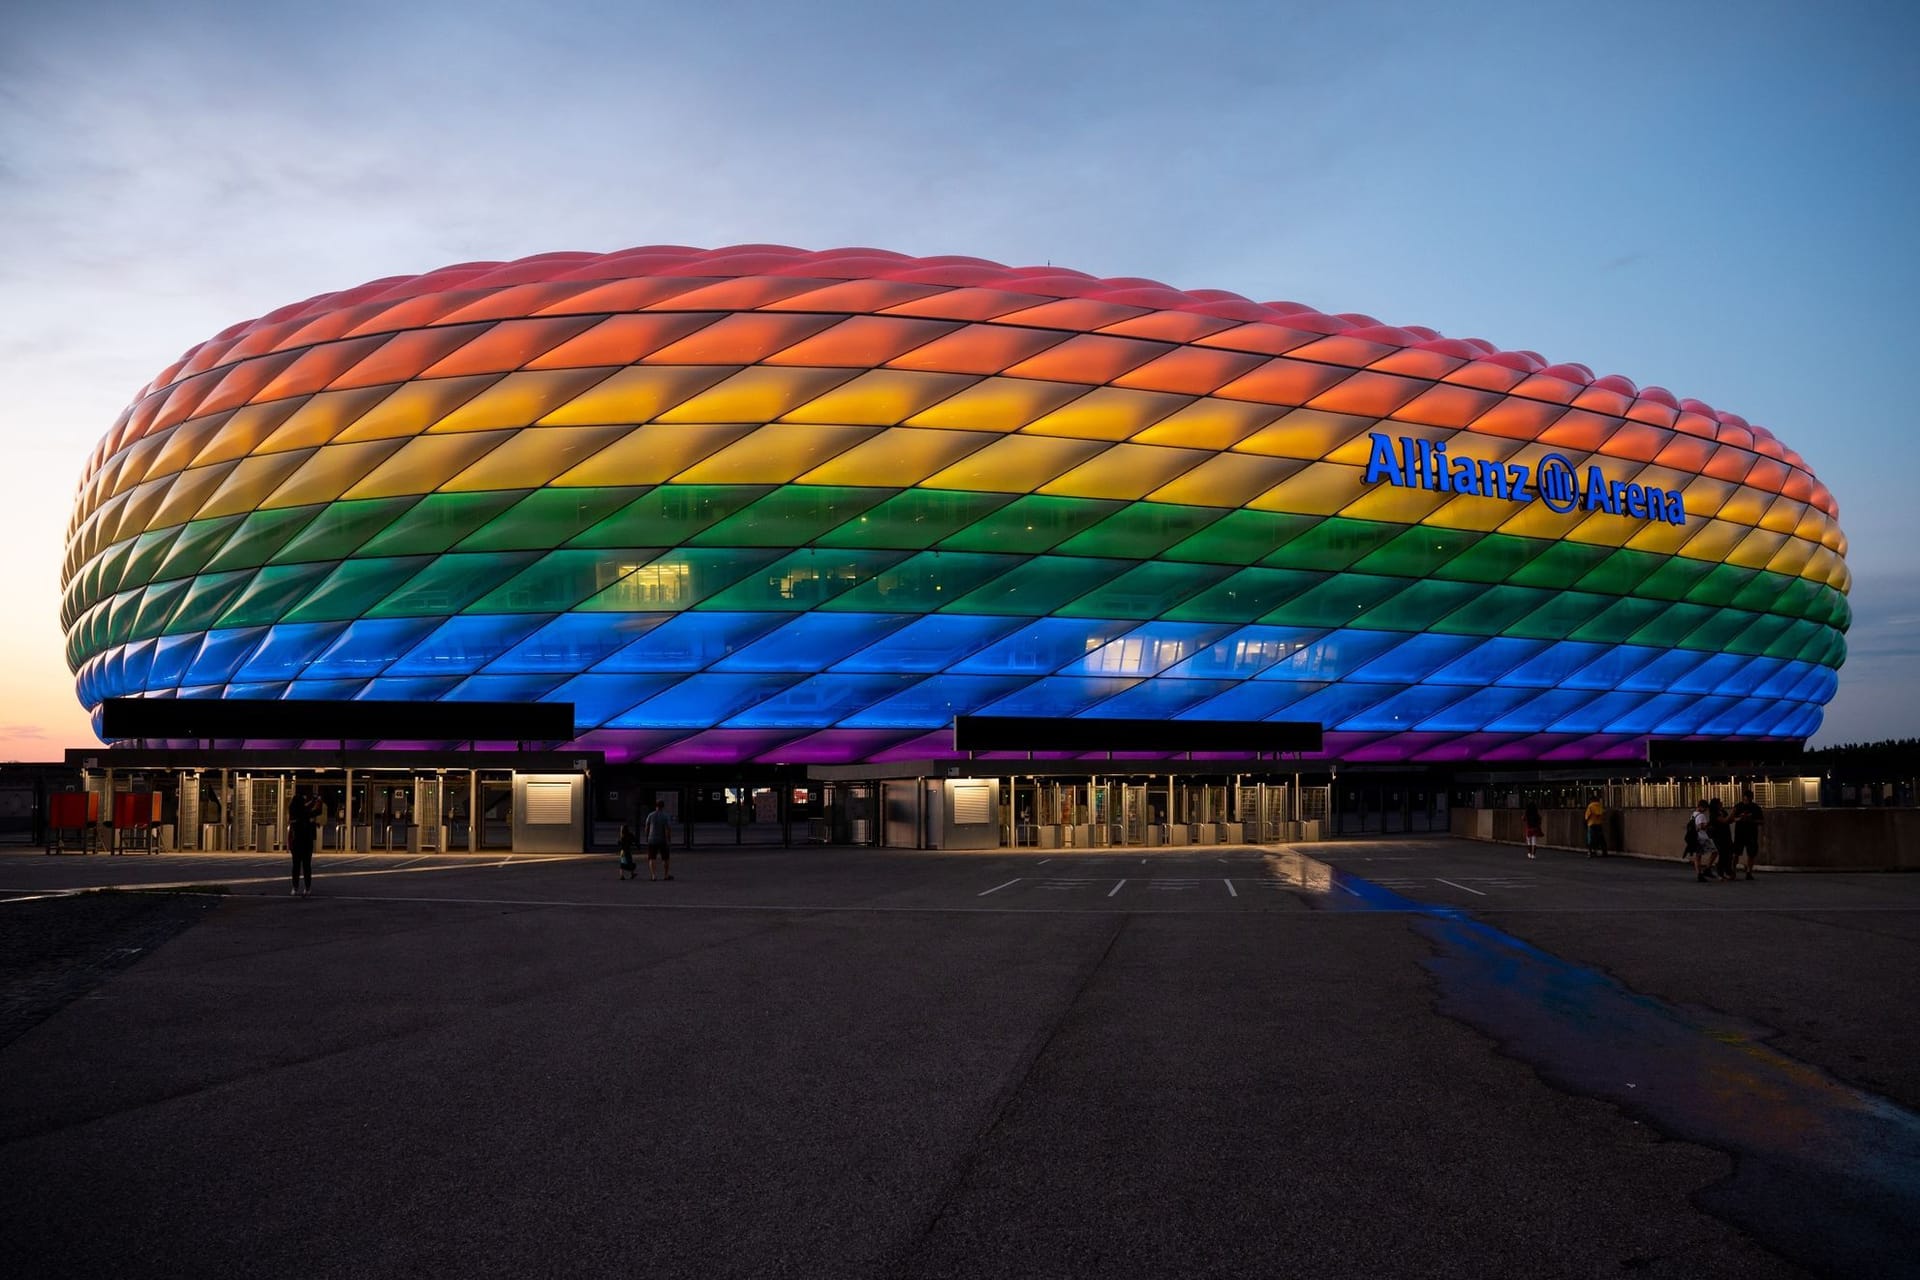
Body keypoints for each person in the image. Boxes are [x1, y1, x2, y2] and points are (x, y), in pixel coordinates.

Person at [288, 790, 318, 897]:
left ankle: (295, 888)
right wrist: (316, 801)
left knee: (295, 866)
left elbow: (306, 807)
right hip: (306, 842)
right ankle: (307, 888)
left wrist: (312, 802)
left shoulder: (293, 811)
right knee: (306, 866)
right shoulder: (305, 813)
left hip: (296, 842)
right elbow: (315, 811)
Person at [1731, 787, 1763, 880]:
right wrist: (1740, 818)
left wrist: (1751, 820)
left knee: (1751, 854)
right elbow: (1731, 819)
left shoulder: (1756, 808)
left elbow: (1762, 821)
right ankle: (1733, 871)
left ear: (1751, 798)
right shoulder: (1738, 806)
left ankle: (1749, 872)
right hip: (1740, 834)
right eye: (1745, 799)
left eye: (1748, 799)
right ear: (1743, 798)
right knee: (1736, 853)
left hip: (1751, 834)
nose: (1746, 801)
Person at [1686, 799, 1717, 882]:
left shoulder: (1693, 815)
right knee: (1715, 851)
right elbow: (1700, 827)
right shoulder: (1701, 816)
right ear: (1701, 807)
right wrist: (1708, 825)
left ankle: (1699, 874)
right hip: (1703, 838)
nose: (1706, 810)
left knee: (1698, 856)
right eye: (1705, 808)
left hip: (1696, 838)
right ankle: (1707, 868)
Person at [644, 800, 674, 881]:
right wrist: (669, 840)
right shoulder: (665, 816)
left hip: (651, 839)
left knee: (652, 858)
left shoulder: (650, 815)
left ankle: (653, 875)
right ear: (663, 806)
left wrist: (647, 837)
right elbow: (668, 829)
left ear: (655, 806)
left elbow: (646, 827)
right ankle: (666, 875)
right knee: (665, 858)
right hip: (662, 840)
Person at [1707, 798, 1735, 882]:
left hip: (1726, 835)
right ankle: (1720, 873)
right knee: (1722, 854)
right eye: (1719, 802)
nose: (1721, 803)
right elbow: (1724, 820)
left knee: (1729, 854)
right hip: (1718, 836)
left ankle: (1728, 871)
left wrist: (1736, 817)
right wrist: (1733, 812)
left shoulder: (1723, 811)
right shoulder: (1714, 814)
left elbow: (1729, 821)